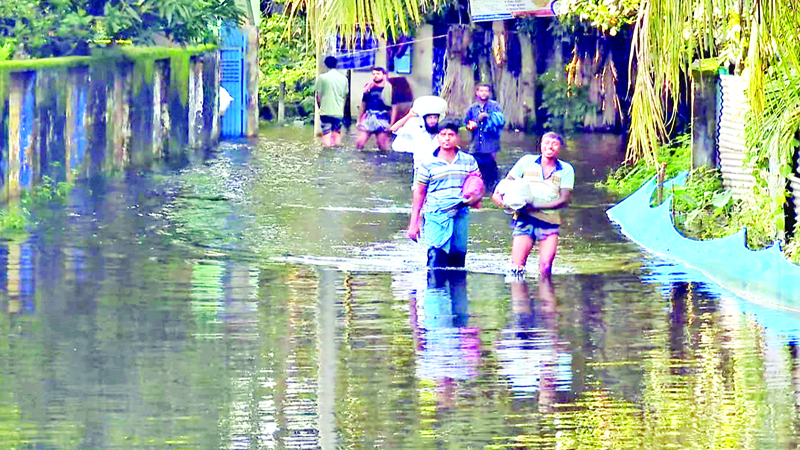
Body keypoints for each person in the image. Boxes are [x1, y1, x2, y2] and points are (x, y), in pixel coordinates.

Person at [491, 132, 574, 276]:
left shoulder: (566, 169)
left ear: (560, 148)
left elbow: (564, 200)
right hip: (524, 219)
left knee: (546, 268)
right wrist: (497, 194)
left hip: (549, 222)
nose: (550, 147)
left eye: (554, 144)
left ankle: (545, 296)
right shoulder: (526, 161)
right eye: (547, 143)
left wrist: (535, 206)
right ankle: (519, 296)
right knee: (516, 268)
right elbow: (507, 182)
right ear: (541, 145)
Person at [407, 121, 484, 269]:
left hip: (461, 213)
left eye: (451, 135)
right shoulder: (428, 162)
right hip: (437, 214)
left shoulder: (468, 161)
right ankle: (435, 292)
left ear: (457, 138)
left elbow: (478, 184)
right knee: (437, 262)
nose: (446, 139)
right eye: (443, 135)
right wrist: (414, 223)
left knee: (457, 262)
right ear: (437, 137)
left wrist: (476, 198)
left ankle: (456, 292)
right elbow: (420, 192)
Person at [390, 96, 446, 182]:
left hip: (438, 170)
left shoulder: (443, 134)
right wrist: (409, 116)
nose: (432, 121)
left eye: (435, 118)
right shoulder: (416, 132)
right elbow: (394, 129)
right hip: (420, 169)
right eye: (430, 118)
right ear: (424, 119)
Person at [464, 84, 505, 191]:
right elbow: (466, 124)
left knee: (491, 171)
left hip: (490, 145)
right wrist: (472, 124)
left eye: (486, 91)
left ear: (489, 93)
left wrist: (488, 117)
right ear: (477, 92)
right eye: (481, 91)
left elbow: (500, 122)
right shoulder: (472, 109)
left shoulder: (495, 106)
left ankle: (492, 189)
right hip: (476, 145)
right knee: (476, 170)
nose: (484, 93)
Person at [356, 67, 395, 150]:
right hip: (369, 117)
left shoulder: (389, 89)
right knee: (359, 143)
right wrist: (358, 121)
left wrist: (392, 124)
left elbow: (394, 108)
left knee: (383, 147)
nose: (375, 76)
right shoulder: (369, 89)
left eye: (378, 74)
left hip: (382, 118)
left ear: (384, 75)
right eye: (373, 74)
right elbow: (363, 105)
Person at [314, 56, 349, 148]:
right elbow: (344, 95)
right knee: (337, 133)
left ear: (326, 65)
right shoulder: (344, 79)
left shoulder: (322, 78)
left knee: (326, 133)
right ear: (336, 65)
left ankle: (327, 153)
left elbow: (318, 96)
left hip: (326, 111)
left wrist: (320, 107)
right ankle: (336, 152)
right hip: (338, 112)